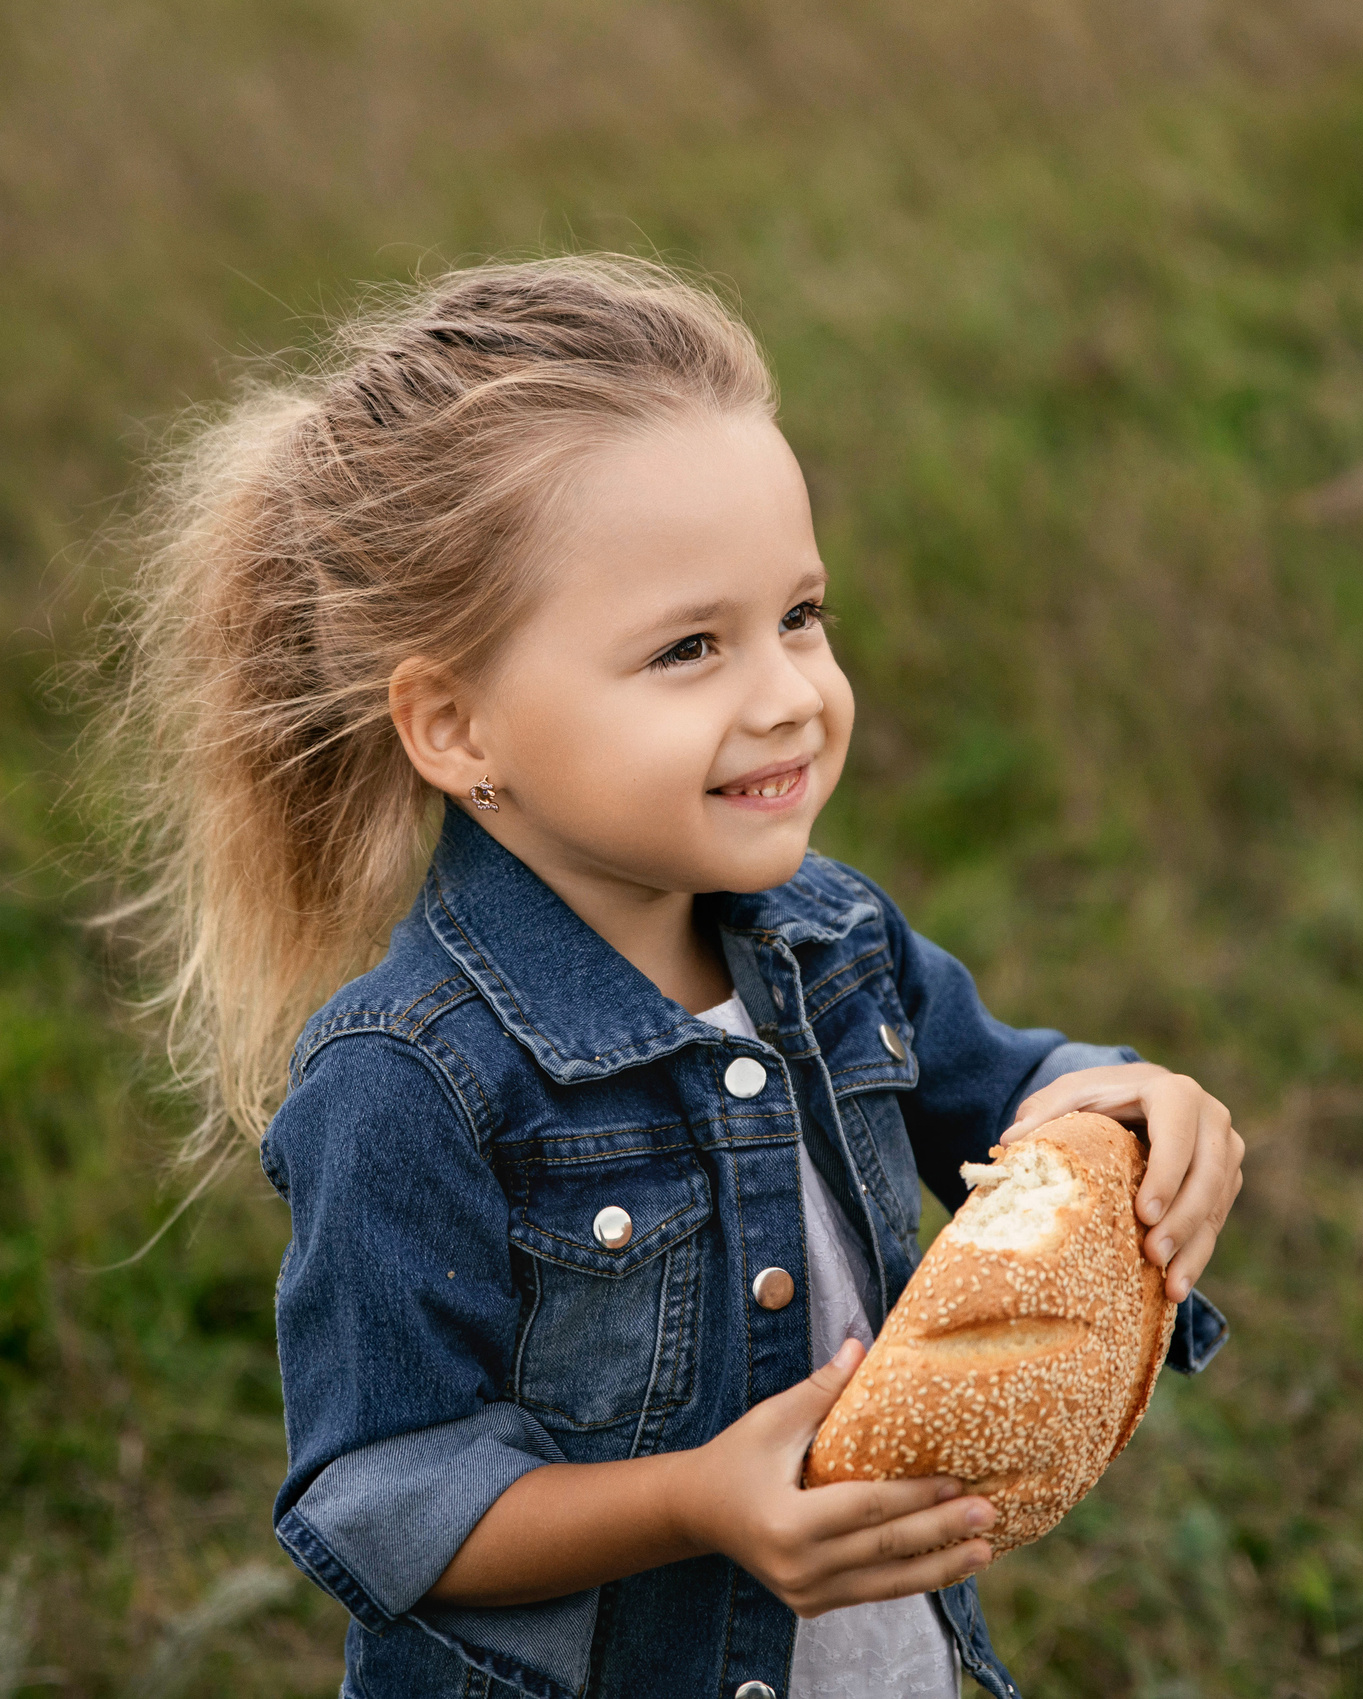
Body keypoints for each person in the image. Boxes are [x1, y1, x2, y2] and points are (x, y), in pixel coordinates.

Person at [110, 254, 1241, 1699]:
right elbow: (391, 1499)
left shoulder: (831, 938)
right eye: (689, 647)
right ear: (456, 728)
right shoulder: (407, 1081)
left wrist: (1126, 1103)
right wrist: (696, 1501)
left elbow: (1010, 1094)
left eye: (801, 616)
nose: (785, 693)